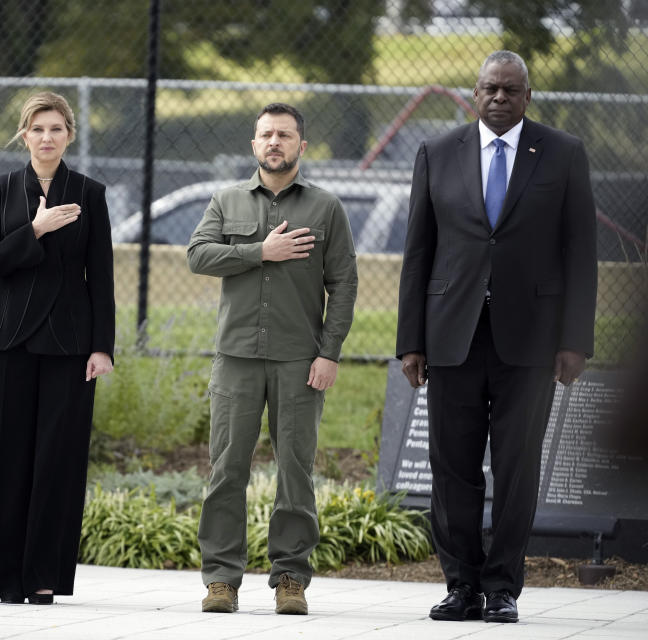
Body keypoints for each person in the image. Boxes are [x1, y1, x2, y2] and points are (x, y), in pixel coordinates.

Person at [396, 50, 597, 624]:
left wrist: (574, 341)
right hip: (451, 337)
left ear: (527, 96)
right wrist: (411, 339)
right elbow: (418, 252)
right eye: (490, 89)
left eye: (511, 90)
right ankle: (460, 585)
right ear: (474, 93)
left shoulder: (563, 153)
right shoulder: (438, 153)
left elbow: (581, 253)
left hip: (531, 340)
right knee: (451, 465)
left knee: (516, 467)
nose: (500, 98)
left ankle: (503, 587)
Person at [188, 103, 358, 615]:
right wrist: (258, 252)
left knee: (295, 472)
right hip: (236, 358)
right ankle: (221, 580)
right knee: (226, 470)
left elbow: (344, 285)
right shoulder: (226, 199)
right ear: (253, 144)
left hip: (299, 362)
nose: (274, 142)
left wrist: (328, 354)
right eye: (266, 135)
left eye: (284, 135)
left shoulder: (326, 208)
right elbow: (198, 255)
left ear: (302, 146)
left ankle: (290, 578)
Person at [0, 91, 115, 605]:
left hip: (70, 342)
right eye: (37, 129)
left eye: (56, 128)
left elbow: (101, 274)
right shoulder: (1, 188)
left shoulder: (90, 192)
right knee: (5, 456)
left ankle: (43, 576)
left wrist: (103, 347)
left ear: (69, 135)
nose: (47, 137)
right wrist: (35, 228)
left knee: (58, 458)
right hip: (8, 336)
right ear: (23, 135)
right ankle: (2, 577)